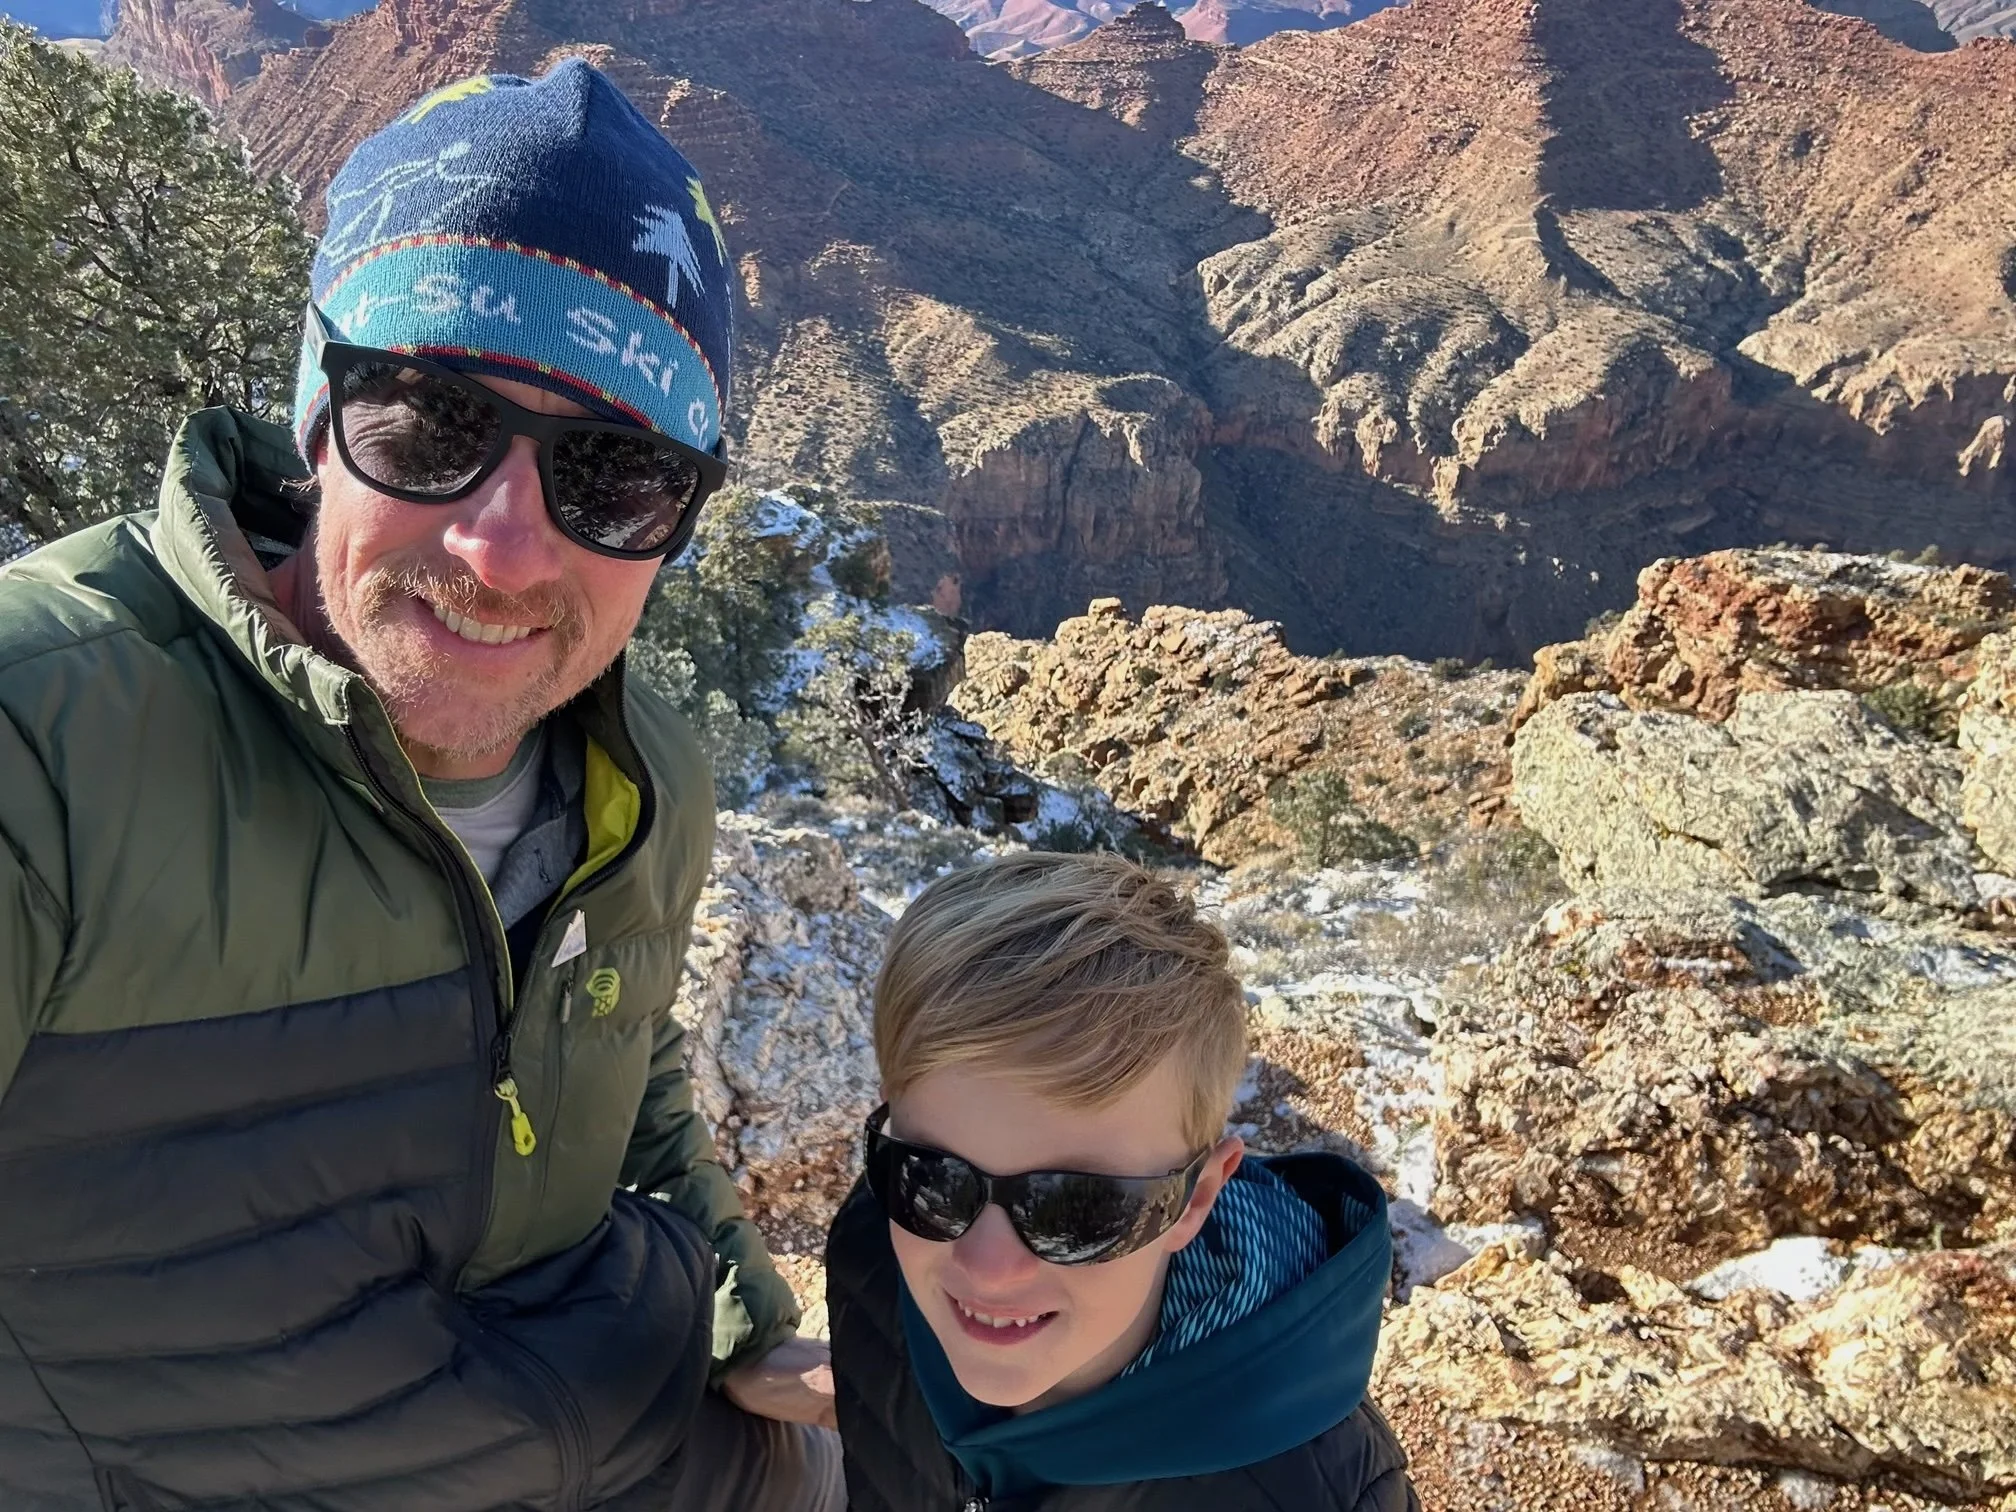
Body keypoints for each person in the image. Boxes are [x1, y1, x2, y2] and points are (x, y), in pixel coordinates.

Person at [0, 59, 841, 1512]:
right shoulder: (45, 741)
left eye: (616, 475)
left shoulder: (645, 782)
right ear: (320, 412)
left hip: (642, 1434)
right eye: (431, 423)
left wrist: (747, 1325)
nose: (505, 549)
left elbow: (627, 1070)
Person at [825, 852, 1421, 1512]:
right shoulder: (873, 1247)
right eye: (931, 1178)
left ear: (1195, 1198)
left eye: (1076, 1208)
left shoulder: (1321, 1493)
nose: (987, 1268)